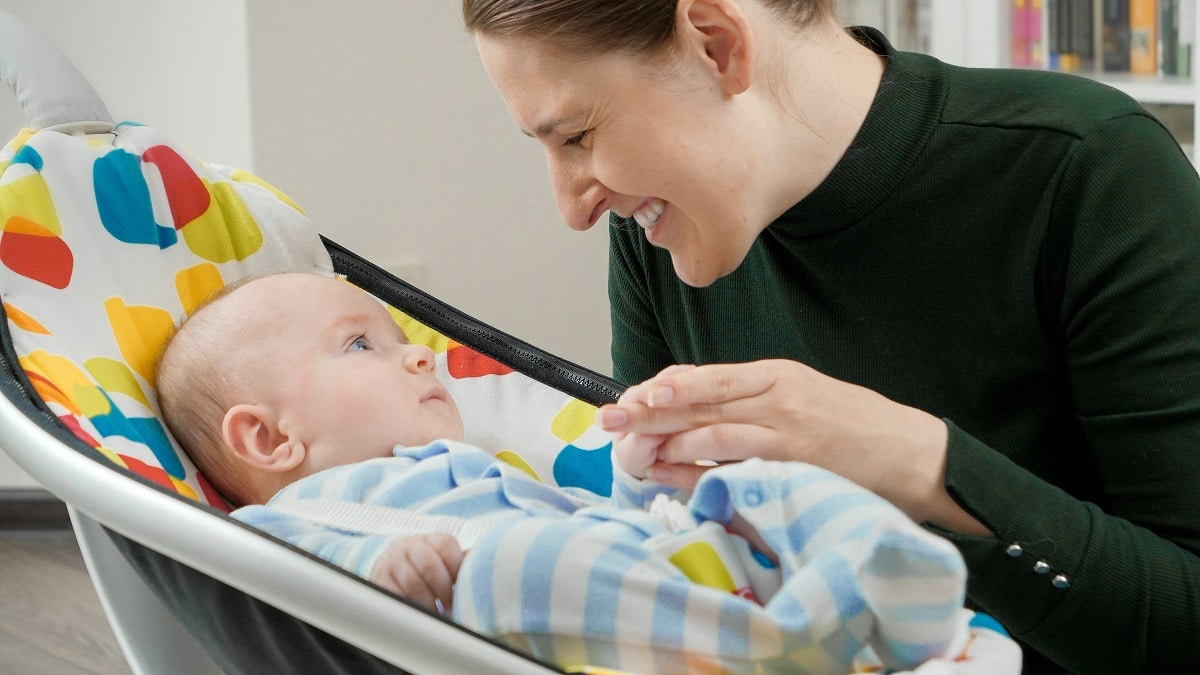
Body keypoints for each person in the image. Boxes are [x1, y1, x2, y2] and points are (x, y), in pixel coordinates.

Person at [460, 0, 1200, 672]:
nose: (572, 207)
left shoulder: (1085, 167)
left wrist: (923, 466)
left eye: (579, 135)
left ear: (717, 46)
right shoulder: (652, 233)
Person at [154, 271, 1018, 674]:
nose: (420, 359)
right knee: (516, 564)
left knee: (759, 484)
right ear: (268, 441)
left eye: (401, 337)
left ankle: (899, 597)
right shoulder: (294, 516)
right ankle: (795, 642)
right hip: (518, 601)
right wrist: (380, 570)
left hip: (648, 562)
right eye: (361, 344)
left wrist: (646, 477)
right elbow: (286, 584)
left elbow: (590, 512)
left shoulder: (477, 462)